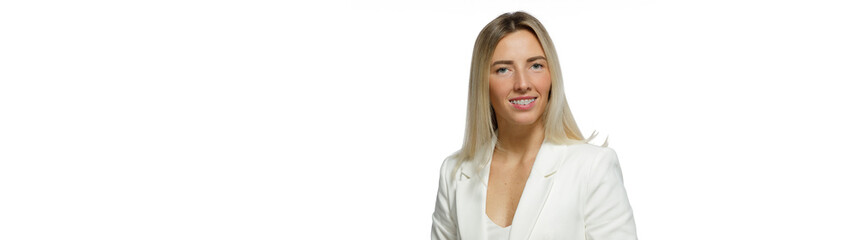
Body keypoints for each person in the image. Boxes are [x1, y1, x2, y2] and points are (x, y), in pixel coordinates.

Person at [431, 11, 637, 240]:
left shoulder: (593, 168)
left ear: (552, 76)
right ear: (482, 83)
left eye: (536, 66)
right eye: (503, 69)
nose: (522, 84)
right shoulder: (454, 173)